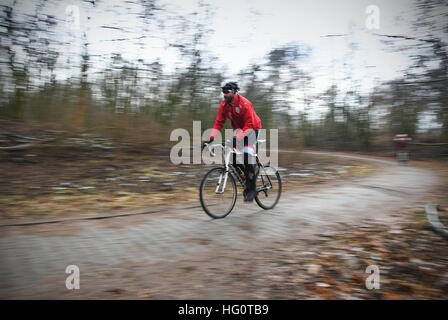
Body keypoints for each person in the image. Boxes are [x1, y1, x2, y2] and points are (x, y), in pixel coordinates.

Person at [203, 82, 262, 202]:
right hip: (240, 131)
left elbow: (249, 125)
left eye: (228, 92)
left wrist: (237, 138)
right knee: (232, 158)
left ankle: (252, 188)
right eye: (224, 92)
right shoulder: (224, 105)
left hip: (252, 129)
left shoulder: (245, 104)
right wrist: (211, 138)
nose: (225, 95)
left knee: (247, 157)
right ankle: (246, 178)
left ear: (234, 92)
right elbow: (219, 122)